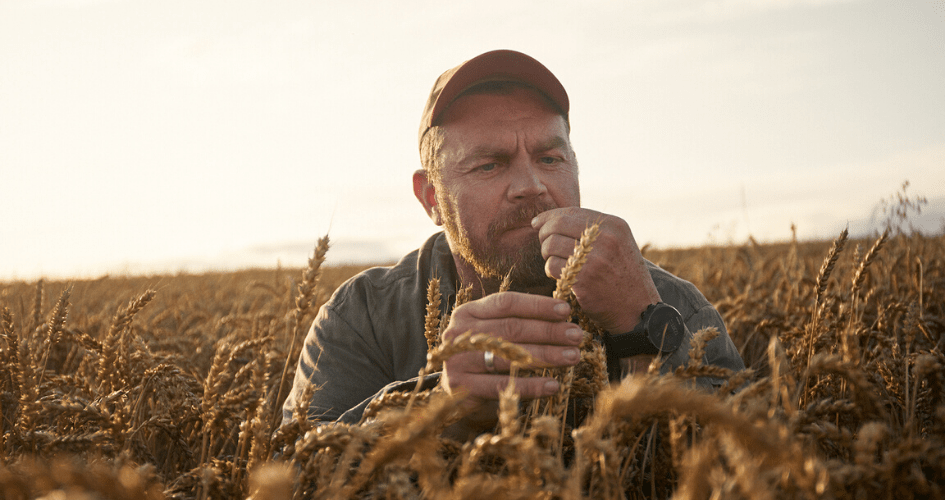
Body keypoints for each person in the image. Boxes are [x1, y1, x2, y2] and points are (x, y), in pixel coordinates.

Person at [282, 49, 744, 438]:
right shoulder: (364, 316)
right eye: (490, 164)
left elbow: (759, 464)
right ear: (432, 198)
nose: (531, 185)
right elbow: (297, 472)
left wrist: (644, 332)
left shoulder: (672, 304)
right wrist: (440, 409)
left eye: (550, 158)